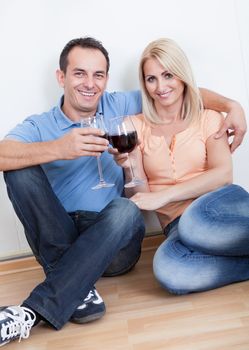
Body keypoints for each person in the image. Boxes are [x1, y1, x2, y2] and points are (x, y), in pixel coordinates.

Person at [0, 36, 246, 346]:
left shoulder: (121, 106)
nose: (90, 83)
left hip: (113, 235)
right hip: (59, 233)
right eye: (79, 73)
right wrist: (58, 149)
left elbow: (180, 93)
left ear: (106, 79)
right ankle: (78, 284)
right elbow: (1, 154)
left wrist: (231, 105)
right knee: (18, 169)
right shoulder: (38, 125)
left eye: (98, 75)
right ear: (61, 77)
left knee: (127, 210)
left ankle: (32, 311)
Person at [110, 37, 249, 296]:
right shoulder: (134, 126)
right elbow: (140, 196)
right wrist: (129, 168)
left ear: (182, 76)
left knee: (195, 223)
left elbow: (223, 175)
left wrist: (165, 195)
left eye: (168, 75)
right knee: (168, 270)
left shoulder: (207, 116)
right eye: (151, 79)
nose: (160, 87)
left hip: (220, 206)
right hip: (177, 225)